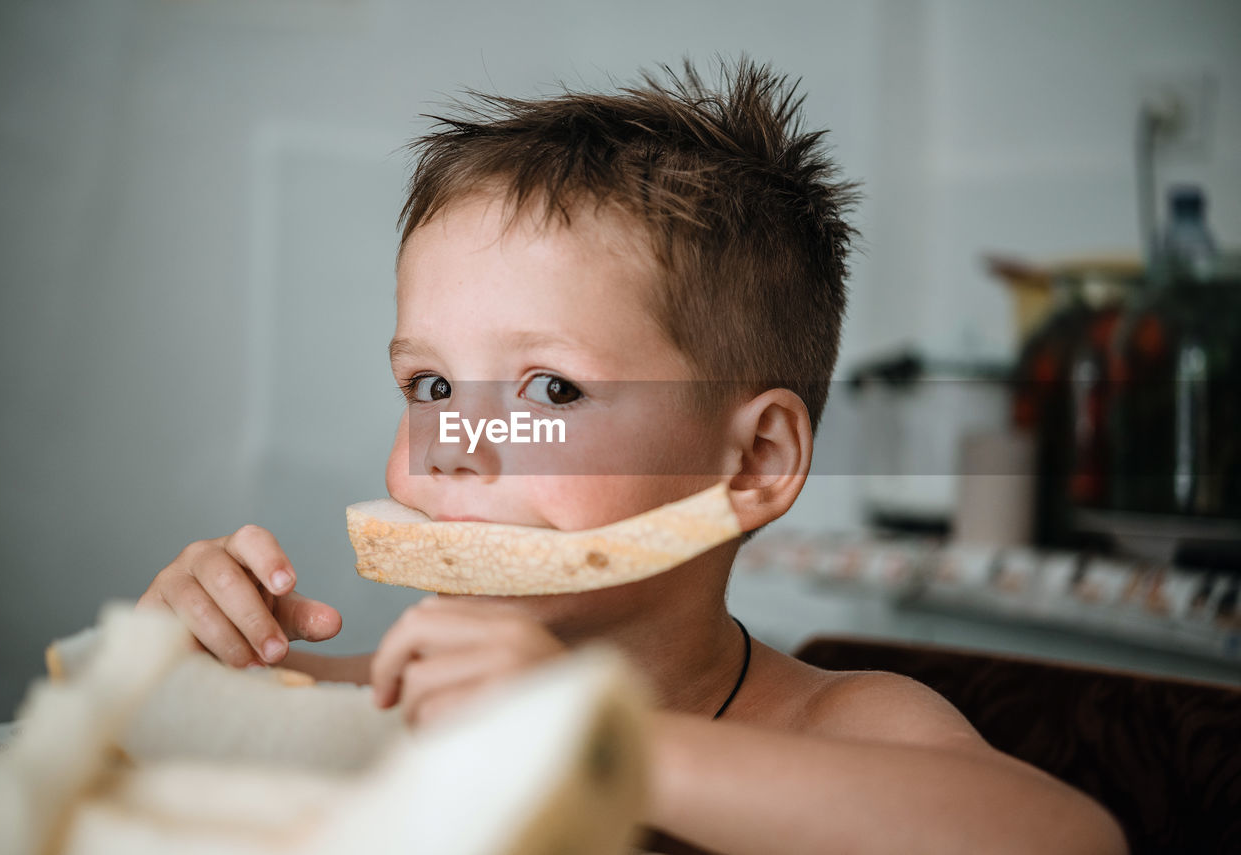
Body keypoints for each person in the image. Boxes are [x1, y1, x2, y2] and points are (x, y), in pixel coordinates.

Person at [138, 57, 1128, 855]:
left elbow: (1066, 840)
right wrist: (169, 667)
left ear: (754, 462)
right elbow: (129, 758)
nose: (455, 451)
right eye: (430, 388)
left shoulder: (837, 722)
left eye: (548, 390)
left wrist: (604, 742)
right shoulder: (380, 705)